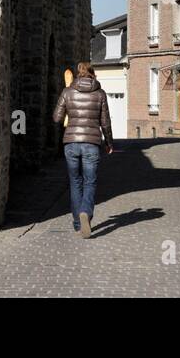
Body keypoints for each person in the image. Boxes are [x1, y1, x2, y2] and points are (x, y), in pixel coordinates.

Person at [51, 61, 114, 238]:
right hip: (92, 143)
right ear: (93, 74)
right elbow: (105, 122)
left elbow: (56, 118)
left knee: (75, 182)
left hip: (71, 142)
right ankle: (86, 211)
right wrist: (109, 143)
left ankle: (78, 223)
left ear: (79, 74)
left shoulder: (68, 91)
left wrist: (68, 113)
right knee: (90, 181)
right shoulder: (100, 94)